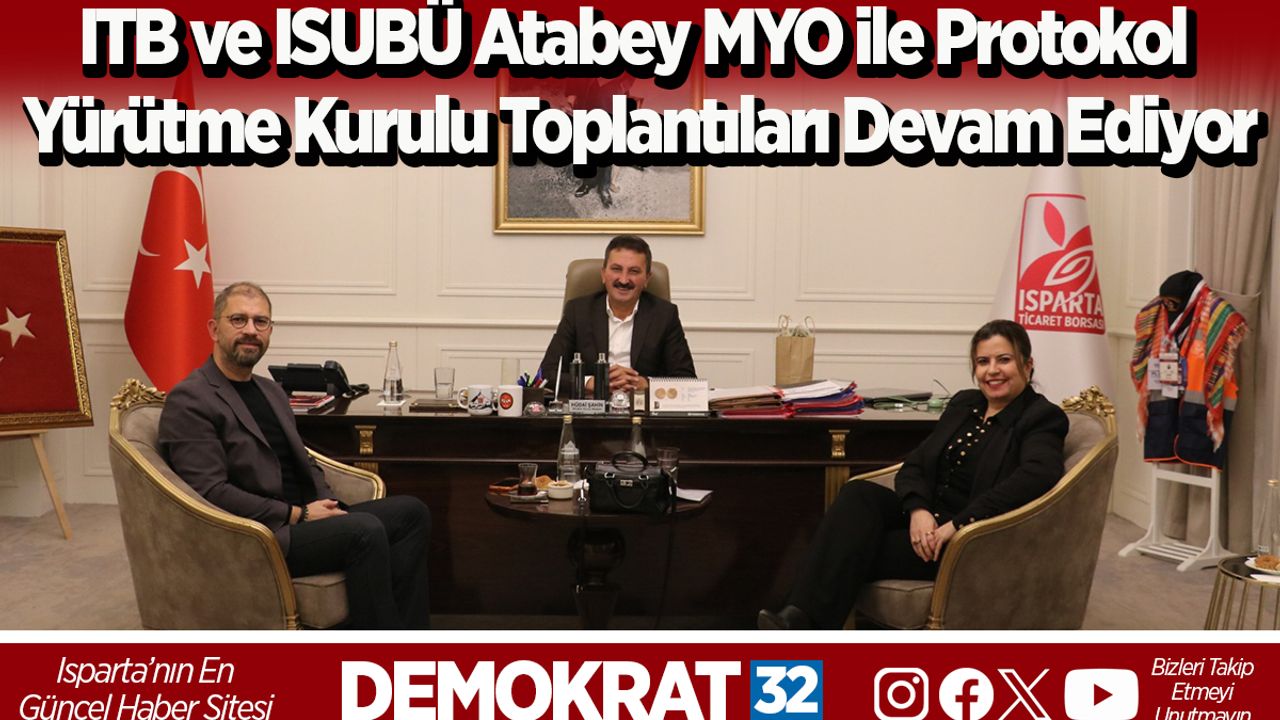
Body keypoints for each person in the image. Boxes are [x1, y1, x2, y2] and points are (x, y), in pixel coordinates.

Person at [758, 319, 1068, 630]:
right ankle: (800, 623)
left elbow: (1037, 476)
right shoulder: (965, 403)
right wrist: (918, 510)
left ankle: (800, 624)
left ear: (1027, 365)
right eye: (983, 362)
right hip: (928, 521)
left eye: (1004, 360)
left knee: (850, 544)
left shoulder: (1041, 416)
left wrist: (957, 525)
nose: (992, 371)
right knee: (858, 495)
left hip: (972, 538)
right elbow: (916, 464)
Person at [158, 282, 431, 630]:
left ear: (270, 330)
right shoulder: (191, 398)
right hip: (257, 533)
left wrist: (326, 503)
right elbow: (211, 492)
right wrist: (297, 514)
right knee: (364, 530)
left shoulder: (270, 390)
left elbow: (304, 459)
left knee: (412, 513)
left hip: (304, 518)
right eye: (239, 320)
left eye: (261, 322)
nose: (251, 330)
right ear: (214, 329)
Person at [539, 235, 696, 397]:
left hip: (641, 407)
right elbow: (547, 373)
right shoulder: (578, 311)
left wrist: (645, 384)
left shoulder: (664, 315)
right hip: (592, 408)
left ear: (647, 279)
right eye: (616, 269)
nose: (624, 280)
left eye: (634, 271)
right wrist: (591, 382)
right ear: (603, 274)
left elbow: (687, 380)